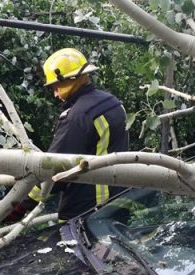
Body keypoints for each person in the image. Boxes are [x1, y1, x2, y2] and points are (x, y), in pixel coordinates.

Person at [10, 47, 129, 222]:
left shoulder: (78, 116)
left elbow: (54, 169)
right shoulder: (112, 102)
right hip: (120, 203)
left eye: (56, 86)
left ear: (68, 79)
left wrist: (22, 204)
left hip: (86, 212)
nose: (55, 93)